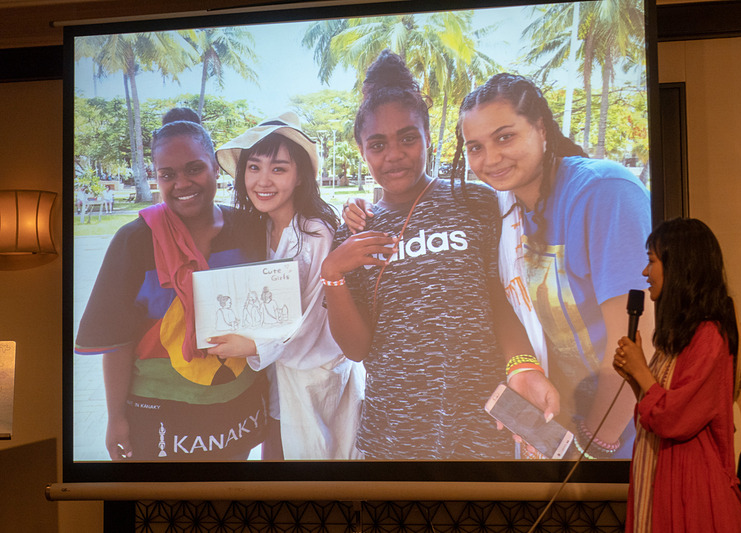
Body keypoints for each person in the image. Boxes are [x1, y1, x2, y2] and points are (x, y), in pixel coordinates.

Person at [345, 72, 653, 458]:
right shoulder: (507, 209)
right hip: (555, 427)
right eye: (475, 146)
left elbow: (638, 337)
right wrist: (523, 366)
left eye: (505, 137)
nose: (490, 159)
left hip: (629, 433)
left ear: (540, 127)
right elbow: (501, 299)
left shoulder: (603, 191)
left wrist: (595, 445)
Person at [321, 50, 558, 460]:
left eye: (408, 138)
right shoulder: (354, 230)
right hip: (393, 429)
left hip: (482, 422)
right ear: (362, 151)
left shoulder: (479, 203)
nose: (393, 154)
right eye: (377, 144)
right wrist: (332, 273)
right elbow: (358, 350)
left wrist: (523, 364)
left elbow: (501, 295)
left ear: (429, 135)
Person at [75, 115, 269, 461]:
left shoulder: (250, 229)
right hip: (160, 419)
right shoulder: (133, 242)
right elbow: (118, 341)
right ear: (157, 177)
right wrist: (115, 417)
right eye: (168, 174)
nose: (182, 183)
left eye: (194, 168)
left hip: (238, 409)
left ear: (215, 168)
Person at [208, 113, 365, 460]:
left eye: (278, 169)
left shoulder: (316, 232)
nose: (263, 181)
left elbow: (310, 318)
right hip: (279, 379)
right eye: (254, 168)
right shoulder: (258, 229)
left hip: (316, 379)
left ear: (299, 178)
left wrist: (251, 345)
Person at [613, 218, 741, 532]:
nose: (645, 273)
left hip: (691, 487)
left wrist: (641, 371)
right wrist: (635, 377)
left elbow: (675, 417)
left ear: (680, 266)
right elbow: (655, 411)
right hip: (658, 473)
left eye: (652, 261)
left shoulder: (710, 336)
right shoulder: (676, 337)